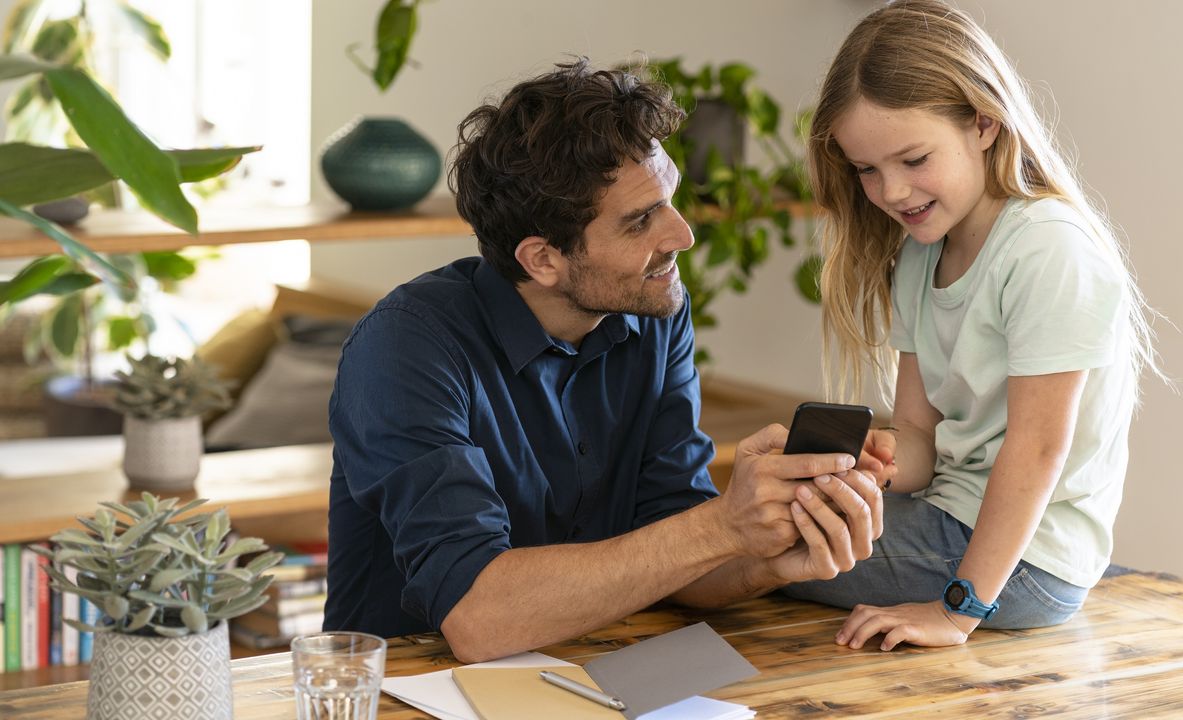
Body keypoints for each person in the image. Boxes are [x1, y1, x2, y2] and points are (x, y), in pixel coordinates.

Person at [324, 58, 885, 663]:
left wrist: (768, 552)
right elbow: (477, 618)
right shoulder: (406, 347)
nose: (682, 236)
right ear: (542, 259)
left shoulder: (653, 314)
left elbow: (674, 542)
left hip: (593, 673)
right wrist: (721, 526)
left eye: (669, 201)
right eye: (641, 221)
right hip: (402, 690)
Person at [784, 0, 1164, 651]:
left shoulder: (1048, 249)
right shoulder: (920, 253)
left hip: (1025, 563)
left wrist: (957, 611)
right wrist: (876, 463)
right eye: (867, 170)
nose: (893, 192)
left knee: (744, 551)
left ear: (983, 124)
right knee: (771, 523)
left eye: (913, 159)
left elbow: (1039, 452)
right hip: (948, 516)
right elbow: (919, 441)